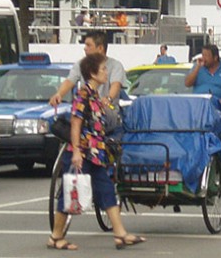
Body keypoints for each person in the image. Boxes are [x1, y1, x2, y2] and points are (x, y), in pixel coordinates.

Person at [47, 53, 146, 251]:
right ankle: (56, 237)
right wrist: (75, 151)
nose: (106, 72)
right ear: (92, 73)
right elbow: (75, 124)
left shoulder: (94, 96)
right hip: (81, 153)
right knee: (69, 194)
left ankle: (120, 234)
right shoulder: (83, 94)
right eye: (103, 69)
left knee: (107, 190)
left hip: (95, 153)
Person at [49, 30, 126, 134]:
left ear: (100, 48)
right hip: (88, 111)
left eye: (89, 45)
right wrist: (59, 94)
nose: (85, 48)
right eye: (103, 69)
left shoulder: (116, 65)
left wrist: (108, 99)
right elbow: (69, 80)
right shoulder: (81, 64)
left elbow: (115, 85)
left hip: (108, 112)